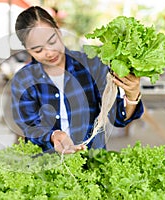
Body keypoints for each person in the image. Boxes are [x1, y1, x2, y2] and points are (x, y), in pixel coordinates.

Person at [11, 6, 144, 154]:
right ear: (27, 49)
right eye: (38, 50)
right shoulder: (23, 80)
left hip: (91, 161)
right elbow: (30, 126)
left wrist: (132, 96)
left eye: (52, 41)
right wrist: (53, 136)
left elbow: (117, 117)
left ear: (59, 31)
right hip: (45, 164)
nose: (49, 52)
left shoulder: (92, 66)